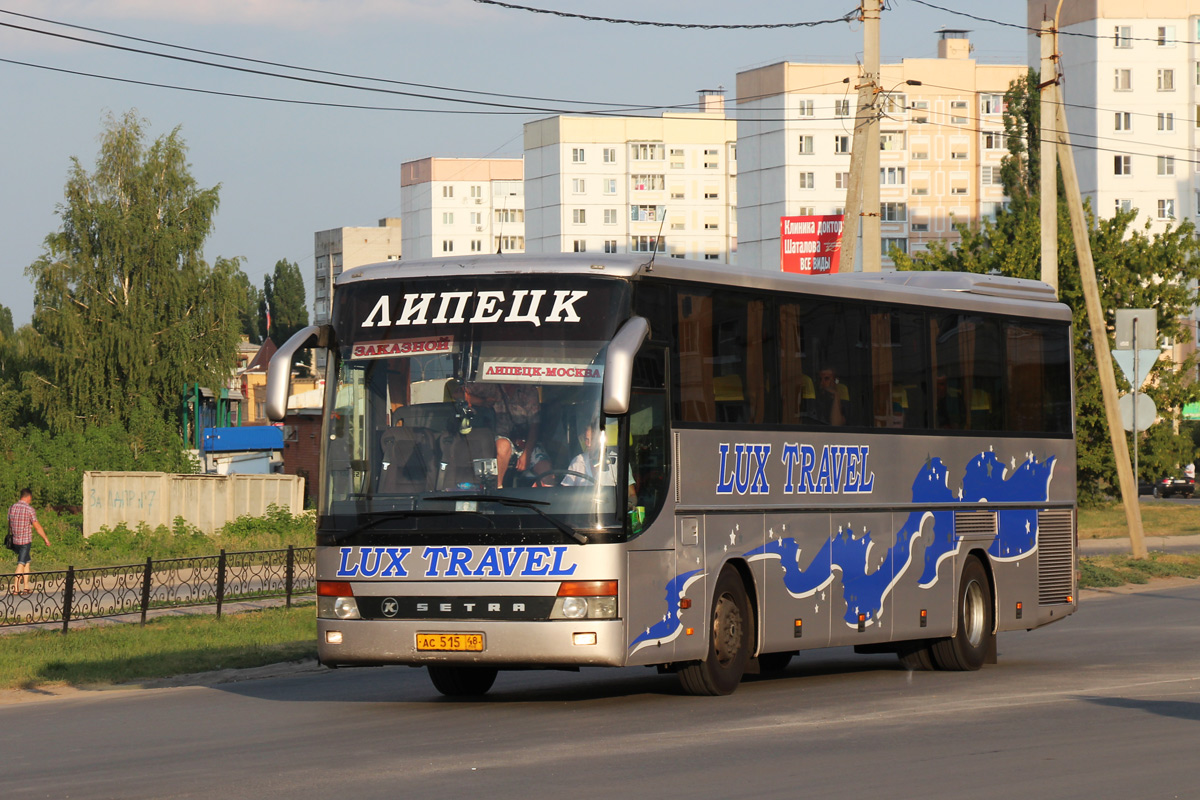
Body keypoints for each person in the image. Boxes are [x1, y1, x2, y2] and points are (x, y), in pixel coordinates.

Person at [463, 382, 550, 487]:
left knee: (547, 472)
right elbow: (459, 393)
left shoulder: (529, 391)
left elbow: (534, 425)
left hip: (526, 443)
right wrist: (483, 402)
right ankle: (497, 488)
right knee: (503, 445)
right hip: (501, 438)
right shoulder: (491, 387)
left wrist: (526, 454)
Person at [562, 419, 637, 507]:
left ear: (603, 440)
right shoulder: (578, 461)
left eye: (592, 440)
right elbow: (564, 494)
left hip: (611, 516)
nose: (588, 444)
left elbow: (632, 495)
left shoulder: (619, 462)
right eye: (586, 439)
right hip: (581, 515)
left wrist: (625, 507)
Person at [8, 488, 50, 595]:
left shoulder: (12, 508)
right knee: (21, 564)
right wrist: (45, 538)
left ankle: (26, 587)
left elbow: (9, 523)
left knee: (26, 562)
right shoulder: (29, 509)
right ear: (28, 497)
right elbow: (37, 526)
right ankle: (15, 588)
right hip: (25, 541)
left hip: (15, 540)